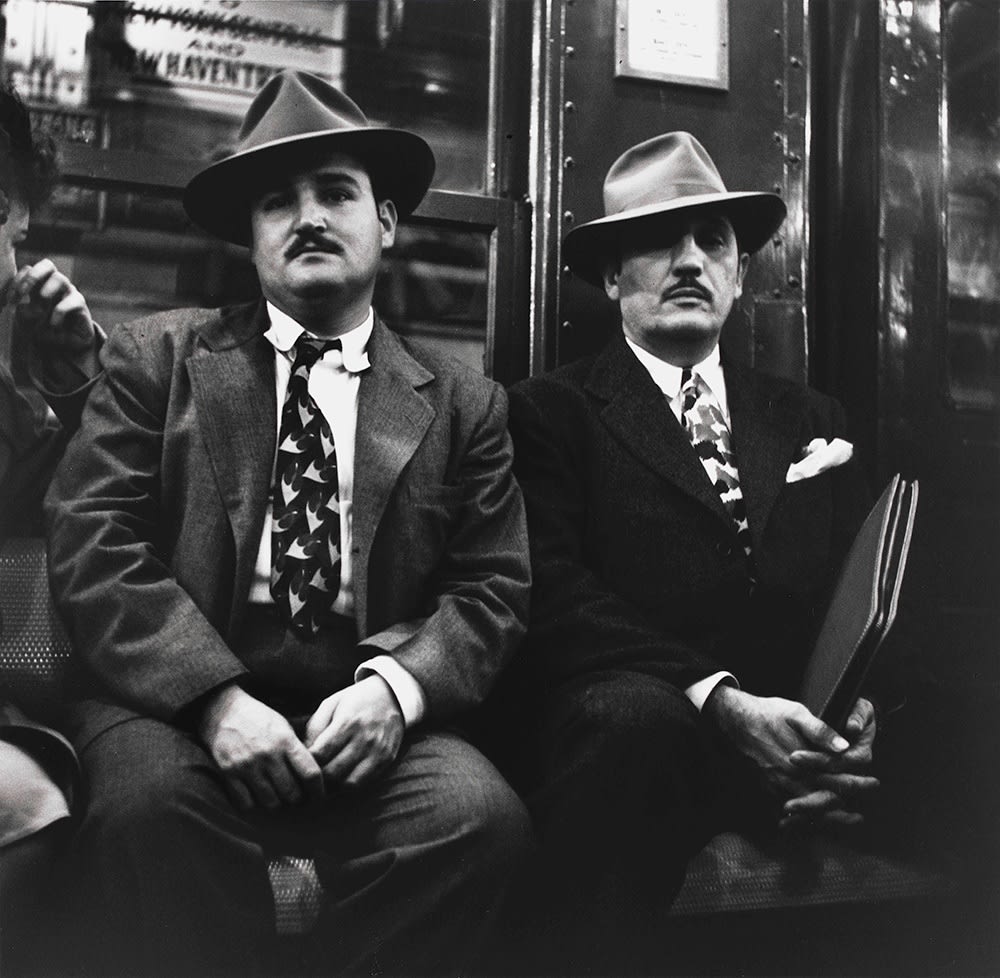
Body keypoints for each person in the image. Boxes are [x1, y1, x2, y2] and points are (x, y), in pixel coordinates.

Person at [45, 70, 532, 977]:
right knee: (145, 812)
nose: (307, 216)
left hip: (362, 719)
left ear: (386, 221)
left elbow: (492, 588)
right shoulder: (159, 358)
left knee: (480, 821)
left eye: (335, 193)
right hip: (178, 716)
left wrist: (397, 692)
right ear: (250, 237)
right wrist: (214, 698)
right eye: (278, 201)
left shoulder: (465, 405)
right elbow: (93, 538)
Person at [504, 132, 879, 972]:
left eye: (713, 242)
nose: (689, 262)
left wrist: (855, 721)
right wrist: (720, 701)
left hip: (796, 727)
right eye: (657, 242)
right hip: (656, 727)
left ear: (740, 276)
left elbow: (857, 586)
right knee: (629, 726)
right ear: (610, 277)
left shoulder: (808, 415)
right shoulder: (550, 413)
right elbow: (553, 593)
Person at [0, 83, 102, 975]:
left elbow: (36, 638)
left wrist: (69, 381)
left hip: (7, 691)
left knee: (20, 791)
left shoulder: (37, 376)